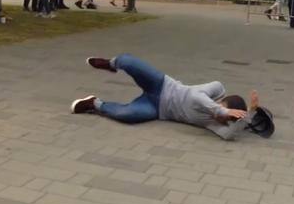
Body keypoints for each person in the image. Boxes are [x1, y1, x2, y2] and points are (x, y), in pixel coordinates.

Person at [70, 55, 262, 140]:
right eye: (223, 108)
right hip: (163, 84)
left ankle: (94, 103)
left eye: (224, 119)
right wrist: (222, 110)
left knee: (126, 115)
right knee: (128, 62)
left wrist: (250, 113)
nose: (220, 116)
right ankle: (111, 64)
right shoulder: (216, 90)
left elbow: (229, 135)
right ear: (222, 100)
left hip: (157, 109)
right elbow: (195, 97)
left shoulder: (213, 123)